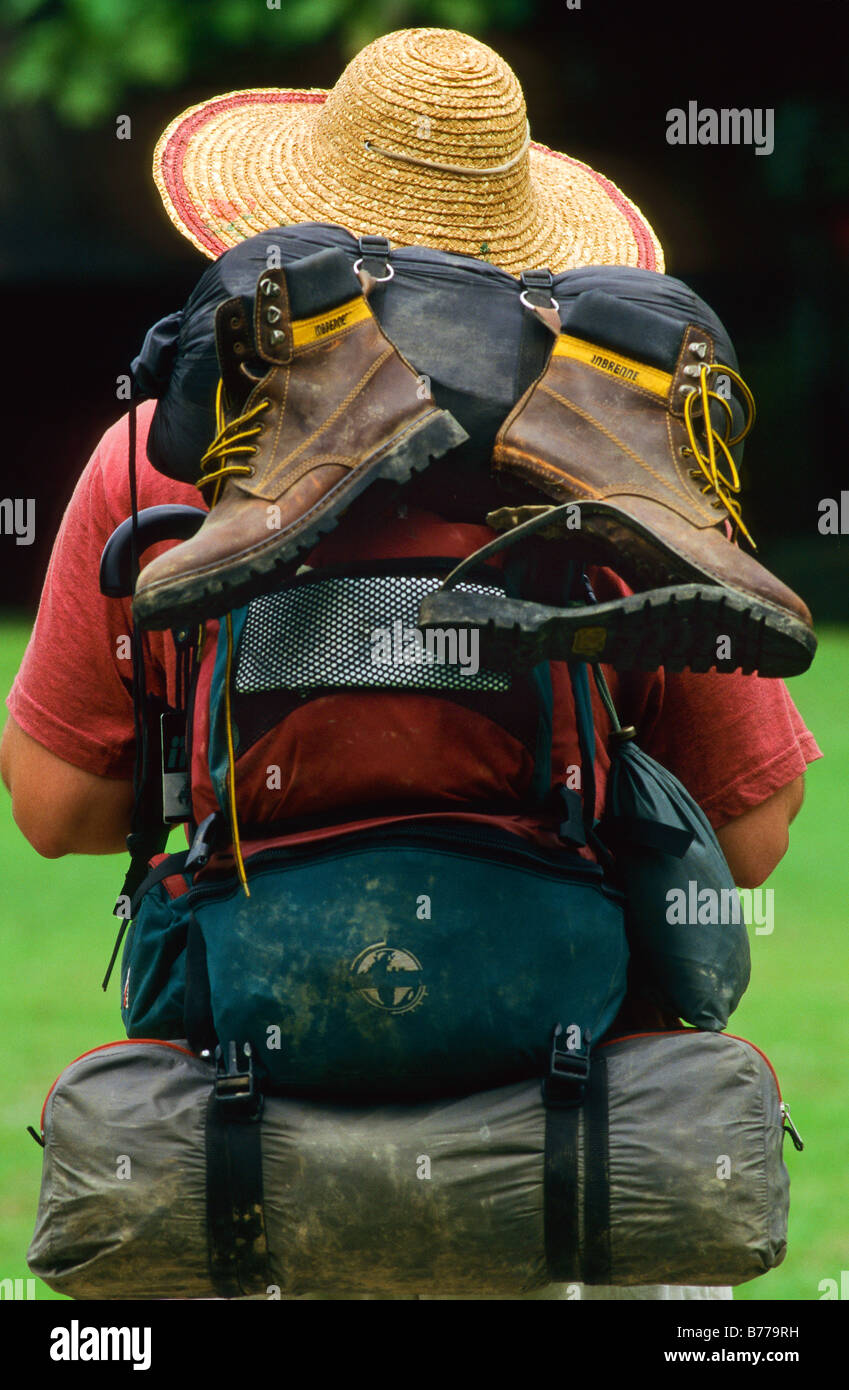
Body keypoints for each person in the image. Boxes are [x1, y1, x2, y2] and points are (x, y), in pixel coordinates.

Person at [1, 28, 819, 1300]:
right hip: (584, 1158)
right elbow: (754, 837)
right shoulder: (624, 458)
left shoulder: (163, 460)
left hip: (240, 1154)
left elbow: (58, 812)